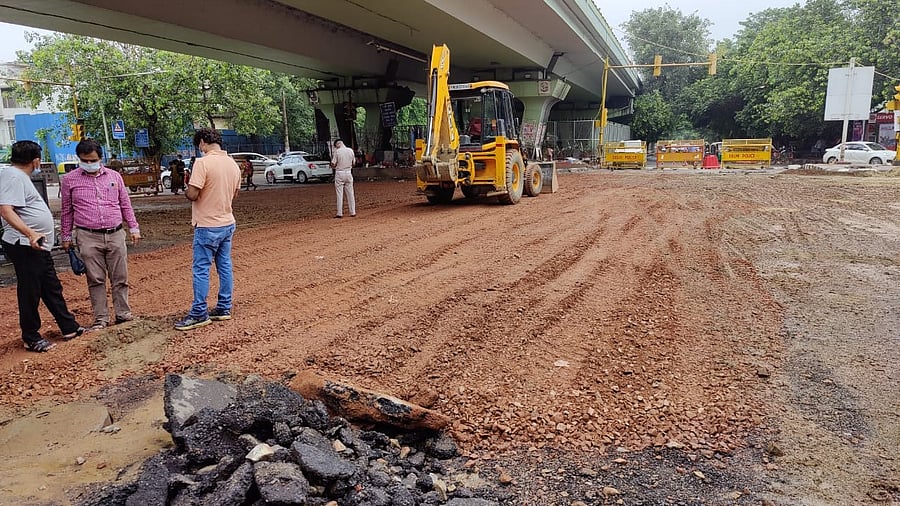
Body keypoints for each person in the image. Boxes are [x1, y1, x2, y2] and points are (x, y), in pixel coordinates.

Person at [0, 140, 86, 352]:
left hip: (38, 246)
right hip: (26, 245)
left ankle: (69, 327)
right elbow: (5, 209)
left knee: (51, 286)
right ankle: (31, 336)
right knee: (30, 290)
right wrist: (30, 233)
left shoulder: (19, 176)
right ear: (36, 160)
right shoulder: (13, 176)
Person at [60, 139, 141, 331]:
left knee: (120, 277)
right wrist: (66, 236)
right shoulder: (70, 180)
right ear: (79, 159)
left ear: (100, 158)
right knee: (95, 279)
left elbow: (125, 204)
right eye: (85, 160)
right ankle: (101, 318)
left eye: (93, 160)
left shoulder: (114, 176)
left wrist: (134, 227)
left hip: (115, 233)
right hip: (87, 236)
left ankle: (123, 313)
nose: (89, 164)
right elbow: (66, 211)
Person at [174, 128, 241, 331]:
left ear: (203, 142)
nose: (200, 149)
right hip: (227, 222)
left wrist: (187, 189)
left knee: (201, 269)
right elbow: (235, 195)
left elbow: (193, 194)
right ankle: (224, 307)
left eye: (199, 145)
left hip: (207, 225)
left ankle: (199, 313)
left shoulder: (202, 163)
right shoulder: (233, 164)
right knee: (224, 266)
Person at [330, 139, 356, 218]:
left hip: (339, 173)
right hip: (348, 172)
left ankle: (339, 213)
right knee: (350, 193)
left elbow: (333, 164)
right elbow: (354, 163)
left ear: (337, 144)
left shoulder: (337, 152)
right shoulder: (350, 150)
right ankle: (353, 212)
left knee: (339, 194)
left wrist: (332, 165)